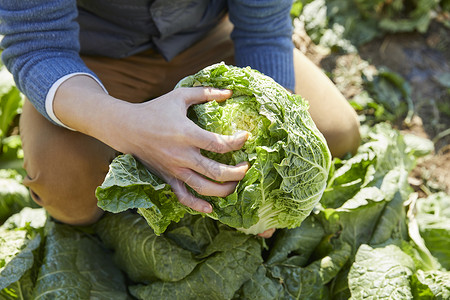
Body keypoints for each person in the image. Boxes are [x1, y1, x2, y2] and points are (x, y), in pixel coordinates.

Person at [0, 0, 360, 237]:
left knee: (337, 132)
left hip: (209, 42)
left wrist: (269, 173)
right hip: (89, 60)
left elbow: (263, 30)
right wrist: (128, 128)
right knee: (69, 193)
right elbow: (38, 46)